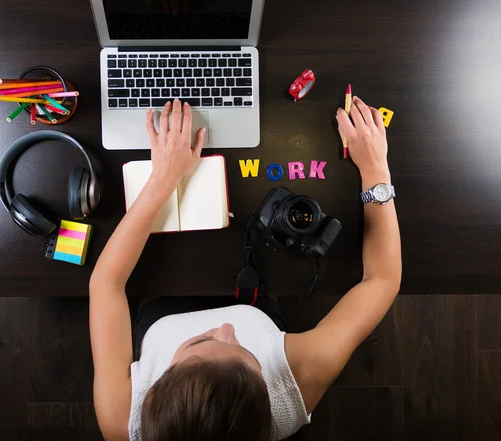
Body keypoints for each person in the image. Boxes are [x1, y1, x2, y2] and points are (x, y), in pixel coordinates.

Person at [89, 98, 401, 441]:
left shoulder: (121, 417)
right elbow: (381, 281)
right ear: (268, 390)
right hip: (257, 301)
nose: (224, 328)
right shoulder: (298, 377)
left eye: (200, 344)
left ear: (158, 382)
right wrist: (375, 171)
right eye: (243, 351)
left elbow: (106, 284)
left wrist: (161, 181)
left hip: (160, 307)